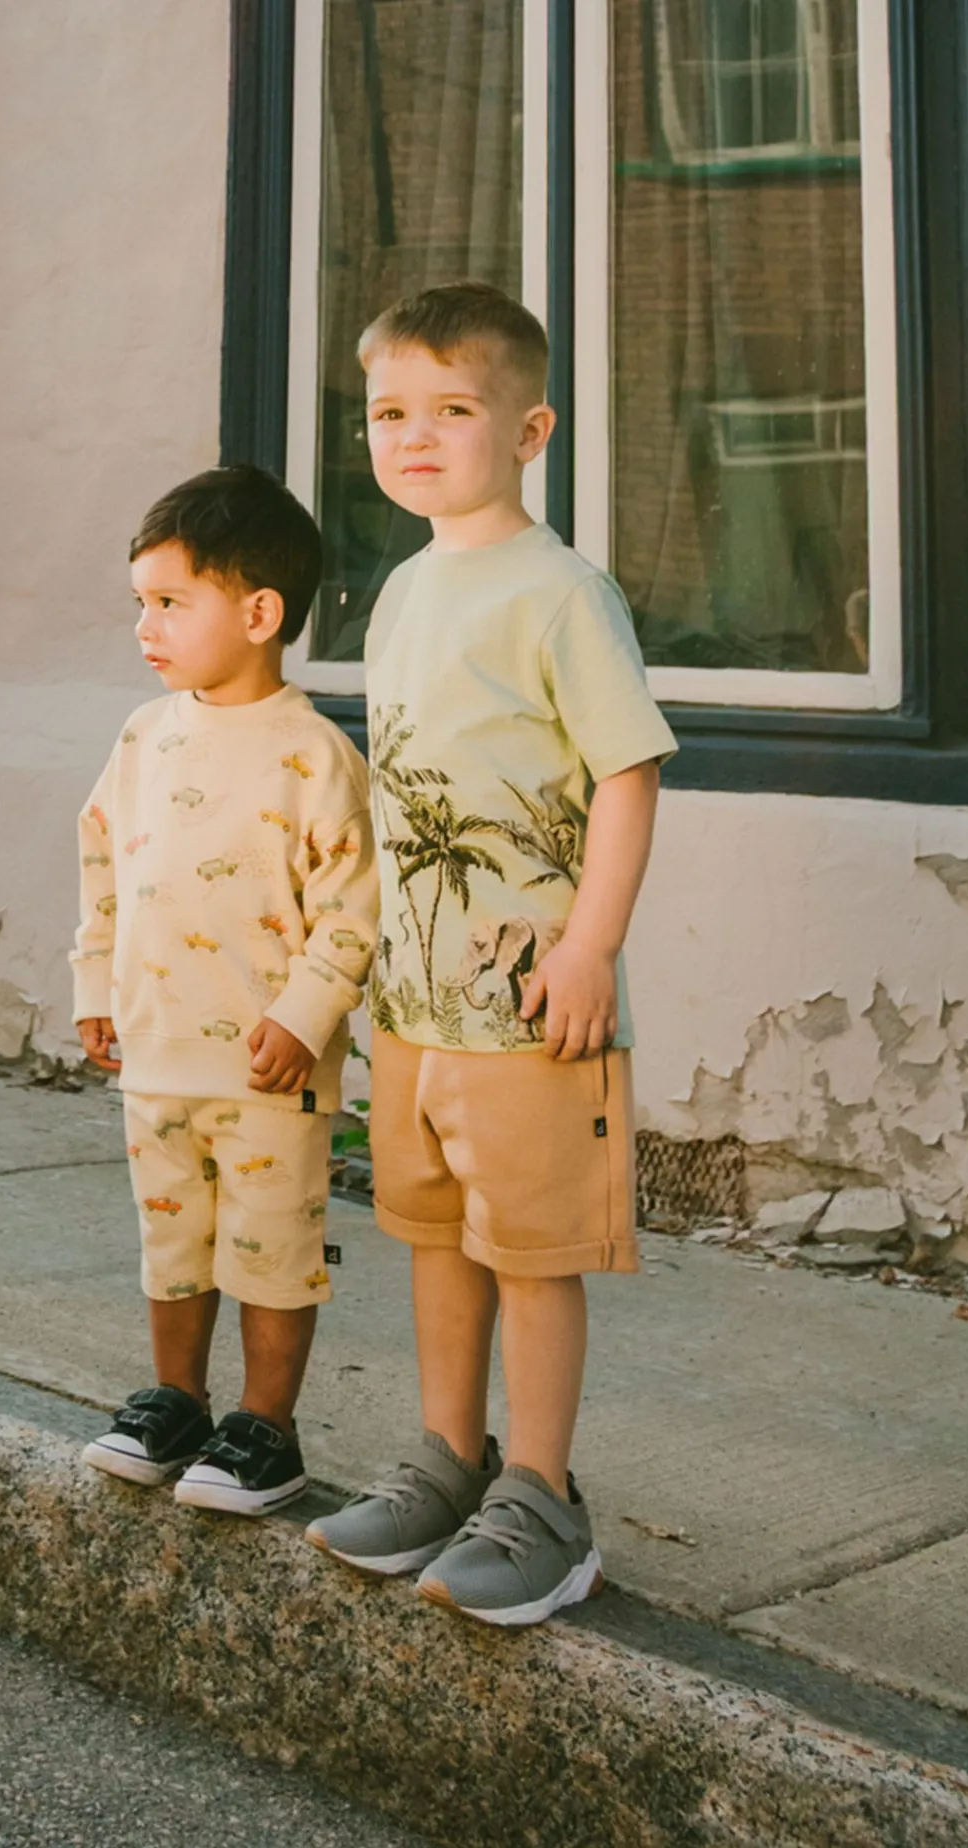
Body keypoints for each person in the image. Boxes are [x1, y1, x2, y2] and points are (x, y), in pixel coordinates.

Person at [304, 282, 677, 1625]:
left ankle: (542, 1498)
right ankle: (446, 1459)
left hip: (529, 998)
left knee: (531, 1247)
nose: (412, 436)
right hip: (417, 999)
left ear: (530, 431)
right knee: (433, 1234)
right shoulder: (404, 589)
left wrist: (591, 947)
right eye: (388, 413)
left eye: (451, 410)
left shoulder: (560, 592)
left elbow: (627, 775)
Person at [71, 465, 377, 1516]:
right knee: (174, 1239)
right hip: (157, 1052)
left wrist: (304, 1017)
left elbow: (353, 908)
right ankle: (177, 1402)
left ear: (258, 614)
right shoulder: (143, 737)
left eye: (171, 602)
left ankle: (266, 1429)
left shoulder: (315, 756)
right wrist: (95, 983)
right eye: (141, 602)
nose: (145, 627)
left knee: (271, 1247)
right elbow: (103, 863)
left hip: (266, 1067)